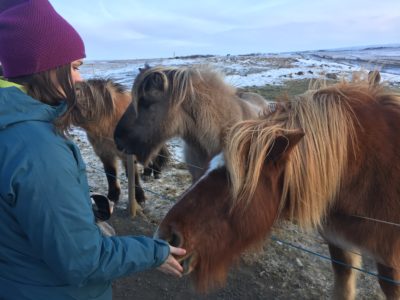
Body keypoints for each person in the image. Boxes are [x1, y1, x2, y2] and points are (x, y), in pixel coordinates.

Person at [0, 1, 186, 299]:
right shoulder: (38, 149)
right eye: (74, 67)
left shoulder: (12, 129)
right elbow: (82, 261)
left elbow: (22, 209)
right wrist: (154, 252)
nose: (80, 79)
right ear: (42, 67)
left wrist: (80, 206)